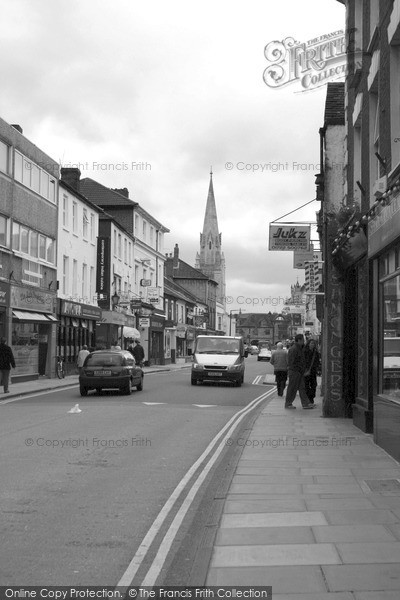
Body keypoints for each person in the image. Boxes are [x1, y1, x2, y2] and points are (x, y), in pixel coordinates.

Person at [285, 333, 314, 409]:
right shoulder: (294, 349)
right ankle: (288, 404)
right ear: (299, 340)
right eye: (303, 340)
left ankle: (306, 403)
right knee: (292, 388)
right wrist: (299, 369)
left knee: (302, 388)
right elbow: (291, 362)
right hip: (295, 372)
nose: (304, 341)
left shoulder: (299, 348)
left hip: (299, 372)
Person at [303, 339, 321, 405]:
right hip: (306, 371)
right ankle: (309, 399)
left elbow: (317, 361)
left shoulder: (316, 352)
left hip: (313, 371)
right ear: (308, 344)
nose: (312, 345)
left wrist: (318, 368)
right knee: (306, 385)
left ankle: (311, 398)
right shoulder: (305, 351)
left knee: (314, 385)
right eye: (311, 343)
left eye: (313, 343)